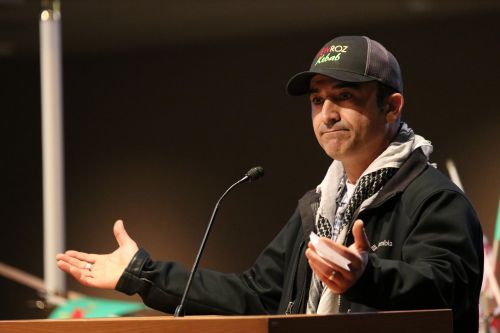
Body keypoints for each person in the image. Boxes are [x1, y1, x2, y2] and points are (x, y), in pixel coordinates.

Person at [56, 36, 483, 332]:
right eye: (318, 100)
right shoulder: (321, 207)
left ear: (391, 107)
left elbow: (448, 297)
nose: (326, 114)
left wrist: (368, 276)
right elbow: (255, 295)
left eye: (345, 97)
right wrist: (141, 276)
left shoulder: (435, 200)